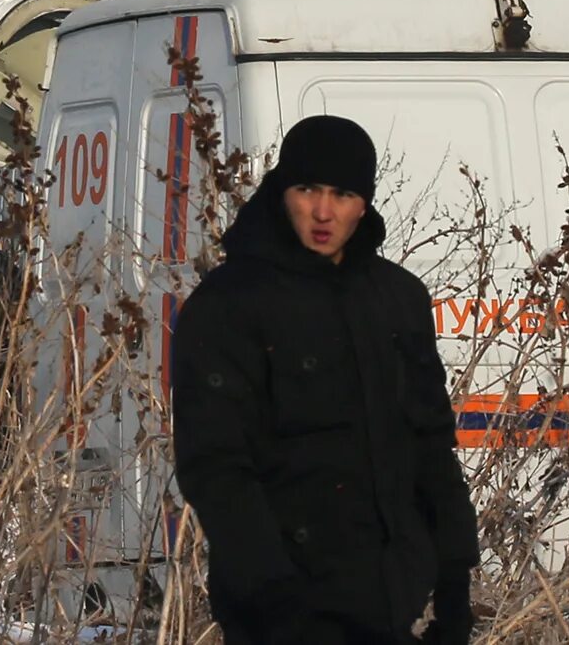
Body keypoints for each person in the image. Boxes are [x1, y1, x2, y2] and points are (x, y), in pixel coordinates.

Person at [170, 115, 477, 645]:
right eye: (306, 188)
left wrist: (454, 594)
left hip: (388, 606)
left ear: (365, 202)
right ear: (281, 190)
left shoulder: (397, 298)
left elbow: (430, 450)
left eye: (342, 193)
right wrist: (277, 603)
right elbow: (216, 469)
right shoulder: (229, 304)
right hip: (280, 615)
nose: (322, 210)